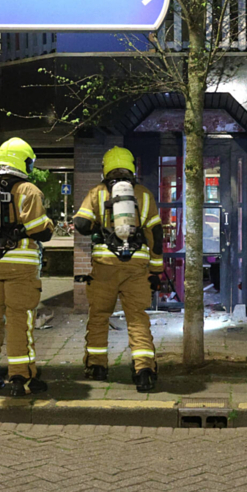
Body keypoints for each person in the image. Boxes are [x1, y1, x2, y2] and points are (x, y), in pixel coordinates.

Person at [0, 137, 54, 397]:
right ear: (23, 160)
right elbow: (40, 229)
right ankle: (21, 379)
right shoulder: (28, 190)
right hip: (21, 269)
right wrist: (47, 225)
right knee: (19, 322)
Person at [73, 146, 164, 393]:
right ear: (132, 167)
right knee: (137, 318)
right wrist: (156, 270)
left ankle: (97, 367)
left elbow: (81, 224)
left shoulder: (97, 193)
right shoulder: (144, 195)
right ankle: (144, 371)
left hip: (104, 267)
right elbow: (156, 234)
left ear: (106, 167)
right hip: (136, 268)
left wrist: (98, 228)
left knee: (99, 316)